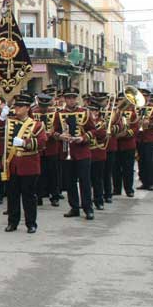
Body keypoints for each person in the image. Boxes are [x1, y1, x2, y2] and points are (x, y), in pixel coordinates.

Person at [3, 93, 47, 234]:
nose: (17, 109)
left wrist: (24, 143)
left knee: (29, 196)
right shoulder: (9, 121)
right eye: (16, 106)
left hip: (29, 165)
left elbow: (41, 142)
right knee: (12, 195)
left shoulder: (37, 125)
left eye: (20, 106)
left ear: (27, 108)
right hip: (12, 164)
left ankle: (31, 223)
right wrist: (0, 117)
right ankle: (12, 222)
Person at [54, 88, 97, 220]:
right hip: (66, 151)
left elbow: (93, 130)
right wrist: (60, 136)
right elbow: (53, 132)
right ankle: (74, 207)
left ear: (76, 99)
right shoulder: (59, 113)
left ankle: (88, 208)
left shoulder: (85, 112)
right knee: (70, 182)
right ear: (65, 99)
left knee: (85, 181)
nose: (71, 100)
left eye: (73, 98)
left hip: (82, 152)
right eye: (68, 98)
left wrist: (83, 138)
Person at [31, 93, 60, 207]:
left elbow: (58, 128)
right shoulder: (33, 113)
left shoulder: (55, 113)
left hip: (51, 147)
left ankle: (55, 196)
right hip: (38, 148)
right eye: (42, 106)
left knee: (53, 173)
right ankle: (39, 195)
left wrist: (54, 133)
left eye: (45, 106)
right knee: (39, 173)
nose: (43, 108)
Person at [85, 97, 110, 211]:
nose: (92, 113)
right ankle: (87, 201)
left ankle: (99, 201)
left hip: (98, 153)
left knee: (97, 179)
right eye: (90, 110)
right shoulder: (84, 122)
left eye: (94, 111)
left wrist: (93, 129)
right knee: (86, 180)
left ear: (98, 111)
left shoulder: (102, 122)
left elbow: (102, 135)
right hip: (86, 153)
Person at [115, 92, 140, 198]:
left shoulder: (133, 113)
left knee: (128, 168)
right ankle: (116, 189)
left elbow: (135, 128)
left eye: (123, 100)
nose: (121, 102)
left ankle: (129, 189)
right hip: (116, 144)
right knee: (115, 168)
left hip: (128, 144)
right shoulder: (114, 113)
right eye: (120, 100)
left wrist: (125, 134)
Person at [136, 90, 153, 191]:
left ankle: (151, 182)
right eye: (142, 96)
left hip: (149, 138)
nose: (144, 98)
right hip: (139, 138)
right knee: (140, 161)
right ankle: (144, 181)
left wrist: (150, 122)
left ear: (148, 97)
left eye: (145, 96)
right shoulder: (136, 107)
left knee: (149, 161)